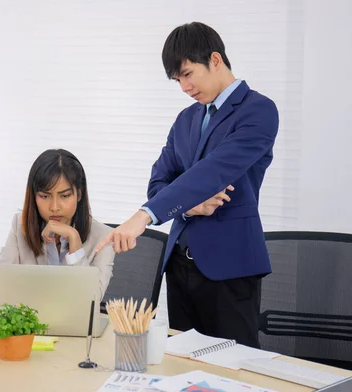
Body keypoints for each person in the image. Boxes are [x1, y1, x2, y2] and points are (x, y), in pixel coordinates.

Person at [96, 22, 279, 348]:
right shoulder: (186, 119)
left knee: (232, 371)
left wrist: (144, 216)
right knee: (185, 368)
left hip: (230, 267)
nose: (184, 87)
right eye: (177, 80)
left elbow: (213, 171)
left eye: (188, 74)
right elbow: (158, 182)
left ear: (215, 59)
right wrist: (189, 204)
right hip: (180, 264)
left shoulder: (258, 111)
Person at [0, 149, 115, 305]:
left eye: (65, 196)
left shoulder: (104, 238)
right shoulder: (20, 225)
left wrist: (74, 241)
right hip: (31, 326)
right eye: (45, 196)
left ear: (79, 194)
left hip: (74, 328)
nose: (54, 207)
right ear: (34, 196)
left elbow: (91, 302)